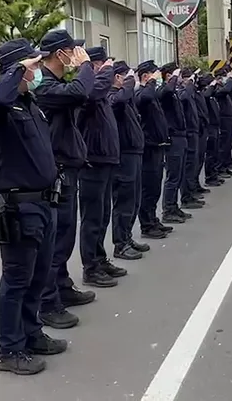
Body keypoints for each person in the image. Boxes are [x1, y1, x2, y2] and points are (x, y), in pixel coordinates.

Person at [0, 39, 67, 376]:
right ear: (16, 68)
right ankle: (10, 348)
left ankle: (31, 333)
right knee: (17, 280)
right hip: (18, 207)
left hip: (44, 203)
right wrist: (16, 70)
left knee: (38, 276)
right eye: (33, 65)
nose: (38, 70)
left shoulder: (29, 102)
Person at [33, 30, 99, 330]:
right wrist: (86, 66)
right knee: (56, 240)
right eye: (73, 50)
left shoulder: (58, 84)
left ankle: (62, 286)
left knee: (65, 234)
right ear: (60, 54)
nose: (78, 55)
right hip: (56, 172)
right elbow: (80, 92)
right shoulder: (45, 86)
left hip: (67, 168)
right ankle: (48, 302)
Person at [77, 47, 127, 287]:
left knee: (103, 214)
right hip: (92, 162)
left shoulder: (101, 93)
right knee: (92, 218)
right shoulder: (88, 91)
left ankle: (99, 258)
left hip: (105, 160)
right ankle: (90, 267)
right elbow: (94, 91)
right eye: (103, 65)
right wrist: (103, 70)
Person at [108, 61, 149, 260]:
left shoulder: (125, 96)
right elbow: (119, 101)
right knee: (123, 202)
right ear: (117, 77)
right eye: (126, 76)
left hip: (134, 152)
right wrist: (129, 83)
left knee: (134, 200)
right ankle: (120, 243)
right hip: (123, 155)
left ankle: (127, 237)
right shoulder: (111, 96)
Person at [134, 61, 173, 239]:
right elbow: (146, 97)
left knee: (155, 187)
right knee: (148, 189)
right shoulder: (141, 92)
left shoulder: (150, 92)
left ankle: (153, 219)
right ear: (145, 76)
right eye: (153, 75)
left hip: (157, 145)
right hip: (148, 147)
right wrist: (151, 82)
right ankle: (147, 225)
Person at [158, 62, 191, 223]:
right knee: (172, 176)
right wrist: (173, 78)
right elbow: (167, 91)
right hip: (173, 138)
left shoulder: (174, 92)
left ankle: (174, 206)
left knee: (179, 174)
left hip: (180, 136)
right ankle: (168, 210)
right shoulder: (164, 91)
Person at [178, 67, 205, 210]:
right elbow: (184, 97)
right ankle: (186, 197)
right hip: (187, 132)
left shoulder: (190, 91)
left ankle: (191, 192)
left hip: (194, 131)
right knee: (187, 167)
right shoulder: (181, 91)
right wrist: (189, 83)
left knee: (193, 164)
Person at [190, 71, 212, 196]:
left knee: (200, 159)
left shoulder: (198, 93)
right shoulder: (190, 93)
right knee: (195, 161)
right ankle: (192, 188)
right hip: (196, 130)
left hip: (202, 128)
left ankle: (196, 184)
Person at [202, 72, 224, 187]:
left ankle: (214, 174)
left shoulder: (212, 95)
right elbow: (206, 94)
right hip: (210, 127)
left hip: (215, 126)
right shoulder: (206, 95)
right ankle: (209, 177)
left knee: (215, 152)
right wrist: (211, 85)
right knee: (210, 153)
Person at [215, 67, 232, 179]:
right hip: (223, 119)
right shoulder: (217, 89)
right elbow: (228, 88)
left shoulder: (225, 87)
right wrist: (231, 78)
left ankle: (226, 163)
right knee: (223, 145)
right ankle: (220, 167)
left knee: (229, 142)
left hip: (229, 117)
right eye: (224, 76)